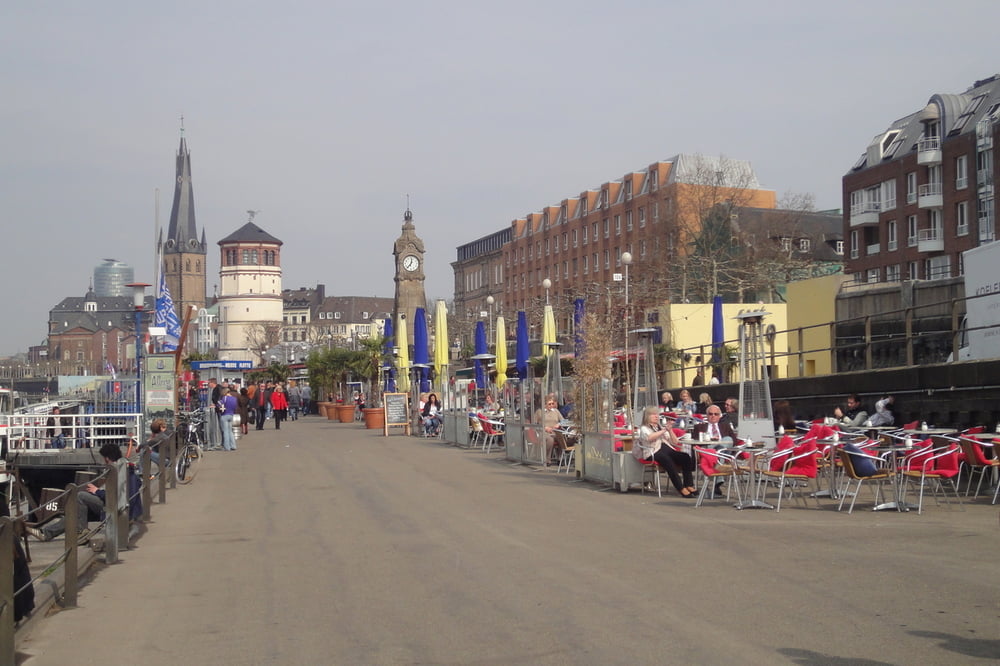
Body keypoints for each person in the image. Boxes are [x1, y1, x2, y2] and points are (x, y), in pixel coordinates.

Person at [26, 443, 123, 544]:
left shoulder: (115, 471)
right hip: (111, 503)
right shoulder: (120, 468)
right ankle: (46, 533)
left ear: (107, 458)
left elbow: (113, 496)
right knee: (74, 514)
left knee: (80, 496)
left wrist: (97, 491)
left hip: (111, 506)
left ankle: (81, 532)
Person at [633, 406, 696, 497]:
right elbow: (650, 438)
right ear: (647, 416)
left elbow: (675, 442)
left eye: (657, 414)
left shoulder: (660, 427)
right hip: (653, 452)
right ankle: (680, 488)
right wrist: (664, 430)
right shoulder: (644, 428)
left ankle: (689, 485)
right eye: (653, 414)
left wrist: (670, 430)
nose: (656, 416)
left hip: (666, 449)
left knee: (685, 457)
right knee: (668, 461)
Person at [533, 395, 563, 463]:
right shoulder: (539, 412)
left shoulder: (556, 411)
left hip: (555, 431)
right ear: (544, 404)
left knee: (561, 438)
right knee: (550, 439)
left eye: (552, 403)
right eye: (549, 404)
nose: (552, 405)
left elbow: (563, 420)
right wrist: (544, 428)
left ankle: (560, 458)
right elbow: (534, 424)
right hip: (543, 432)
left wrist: (558, 424)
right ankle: (547, 459)